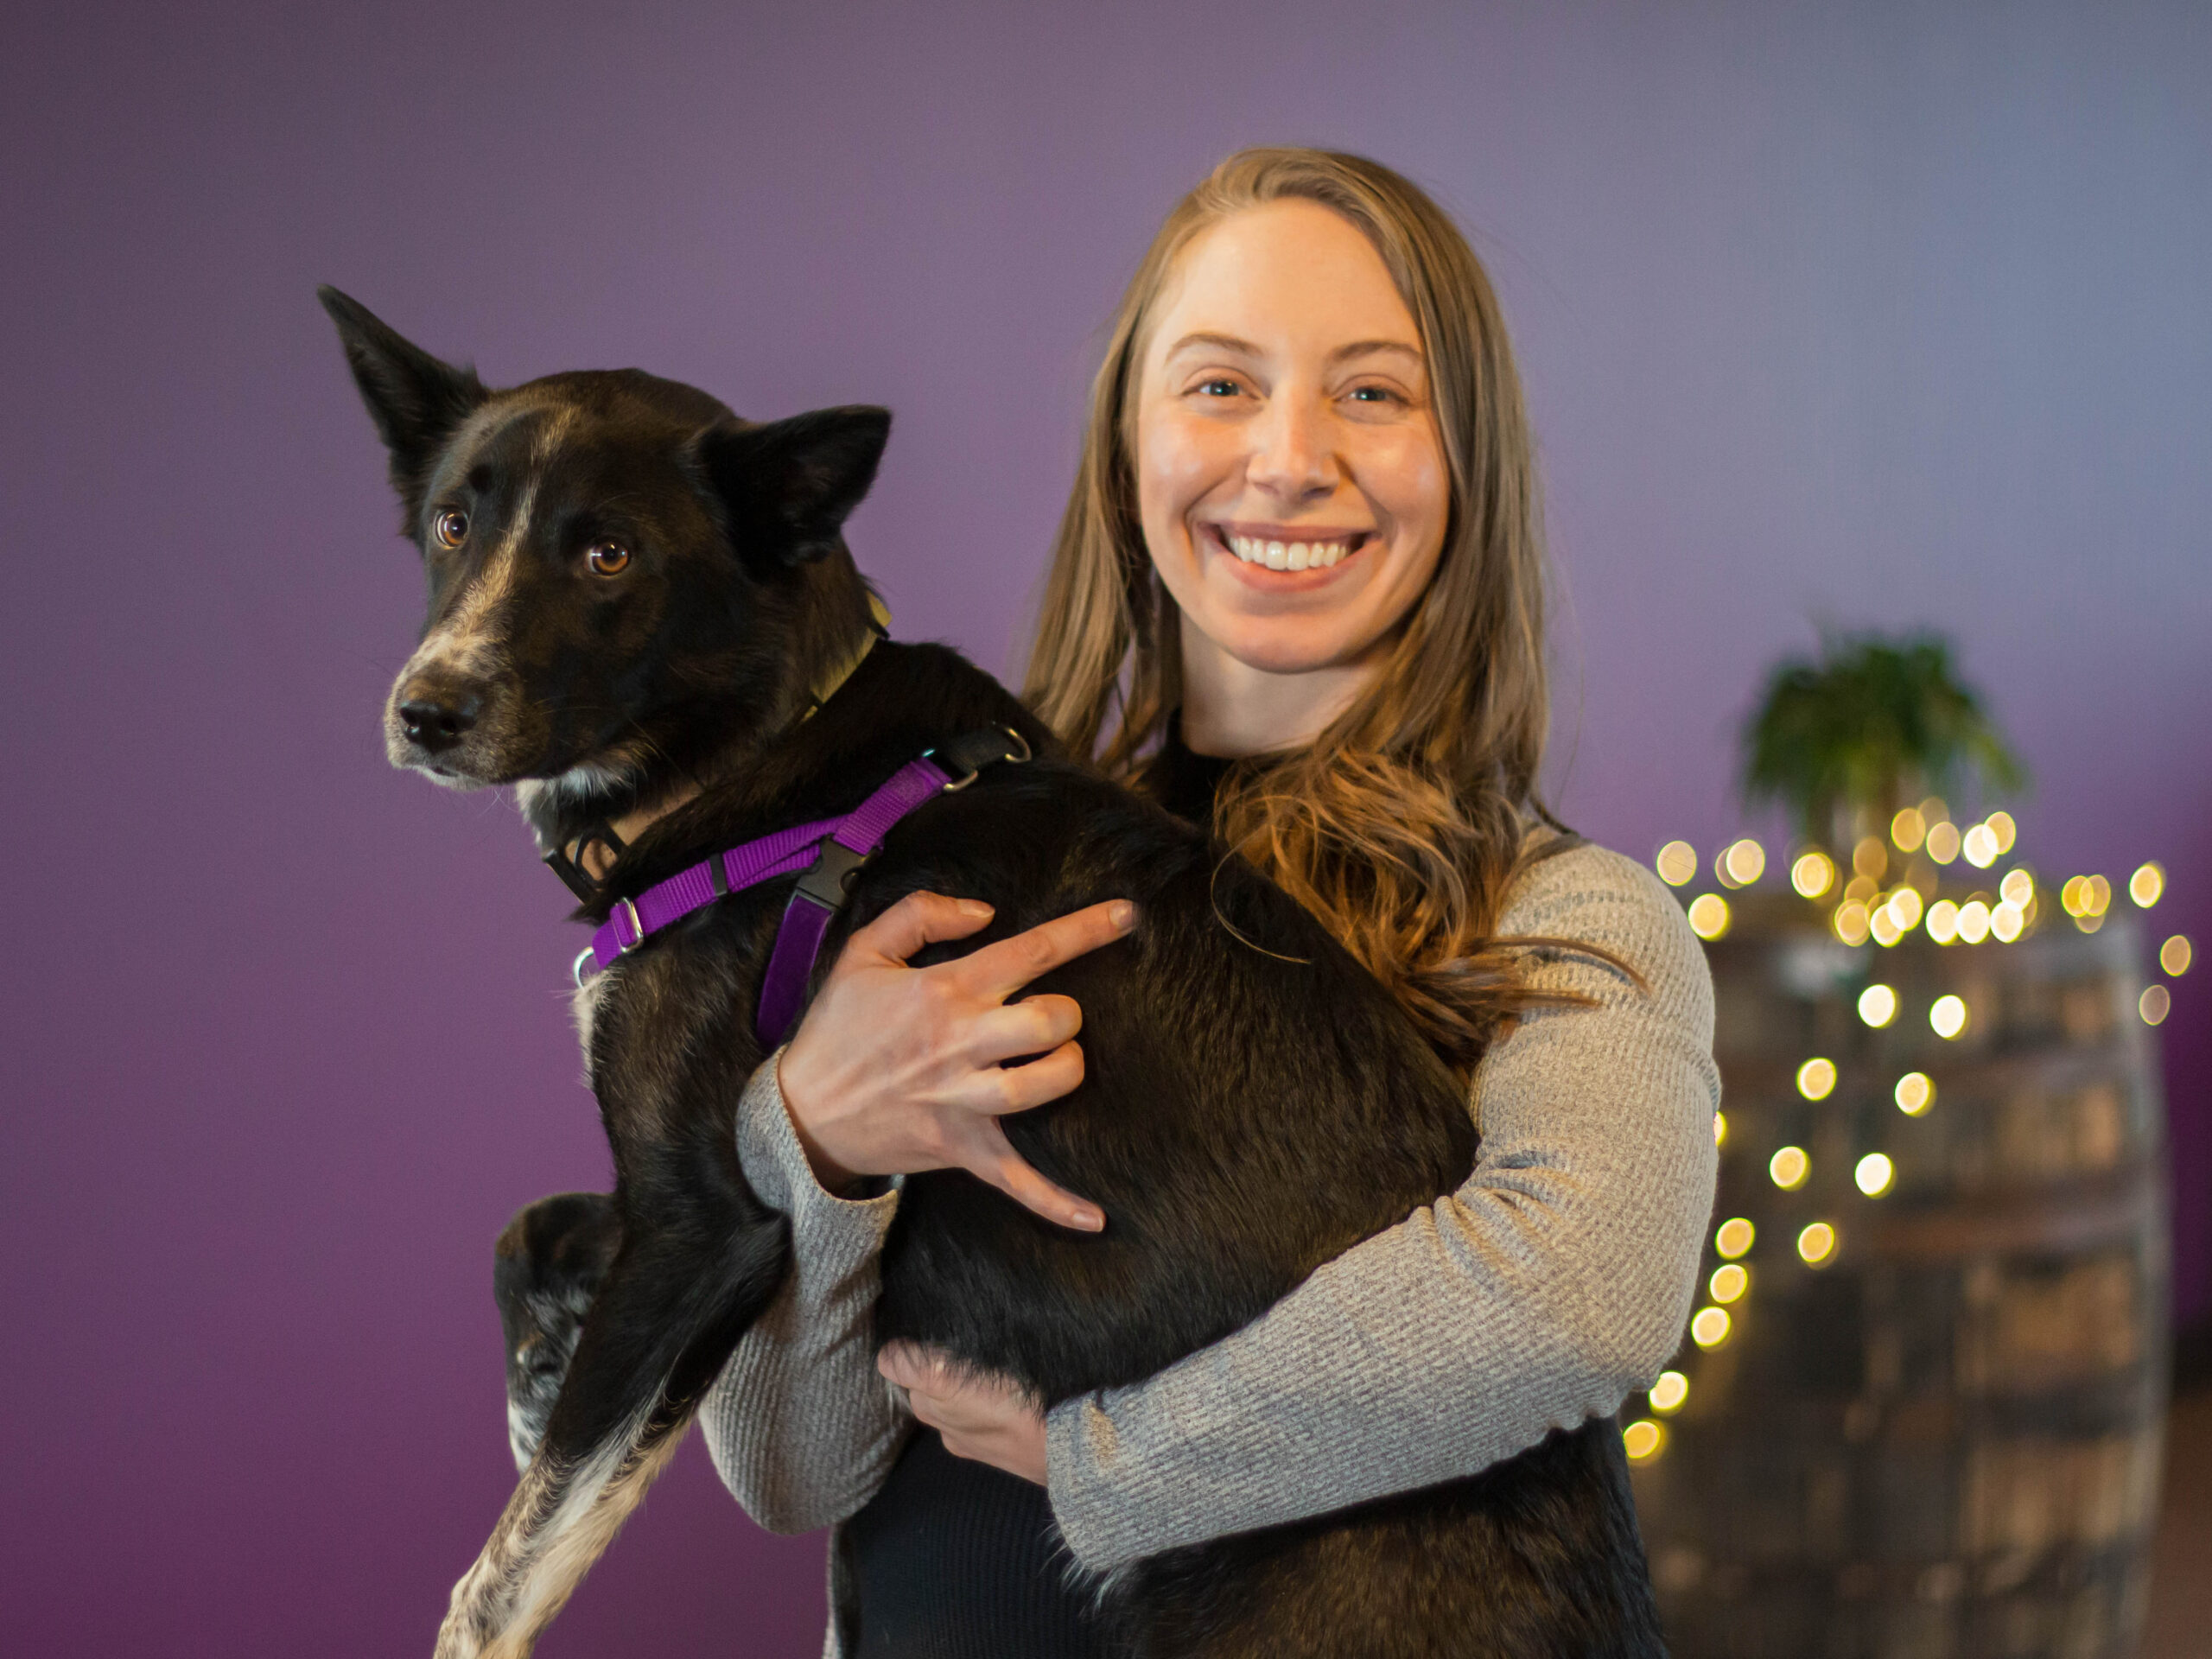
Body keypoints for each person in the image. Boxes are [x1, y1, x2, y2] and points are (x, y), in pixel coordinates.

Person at [698, 147, 1719, 1655]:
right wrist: (814, 1139)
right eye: (1220, 386)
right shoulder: (937, 876)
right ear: (1127, 449)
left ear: (1470, 463)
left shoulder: (1556, 922)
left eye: (1374, 391)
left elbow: (1578, 1296)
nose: (1291, 458)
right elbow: (791, 1470)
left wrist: (1107, 1461)